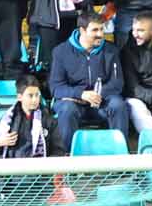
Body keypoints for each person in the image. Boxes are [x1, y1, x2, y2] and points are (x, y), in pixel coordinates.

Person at [45, 12, 131, 142]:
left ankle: (120, 151)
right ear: (82, 30)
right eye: (95, 30)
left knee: (118, 105)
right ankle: (69, 154)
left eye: (102, 29)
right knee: (66, 109)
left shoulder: (111, 50)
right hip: (74, 101)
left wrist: (96, 95)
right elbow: (56, 87)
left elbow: (117, 83)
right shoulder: (61, 52)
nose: (100, 34)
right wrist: (81, 94)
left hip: (102, 100)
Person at [0, 72, 57, 158]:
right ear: (19, 97)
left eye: (37, 95)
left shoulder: (48, 119)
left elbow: (58, 150)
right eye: (30, 96)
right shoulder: (7, 120)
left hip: (40, 169)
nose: (35, 100)